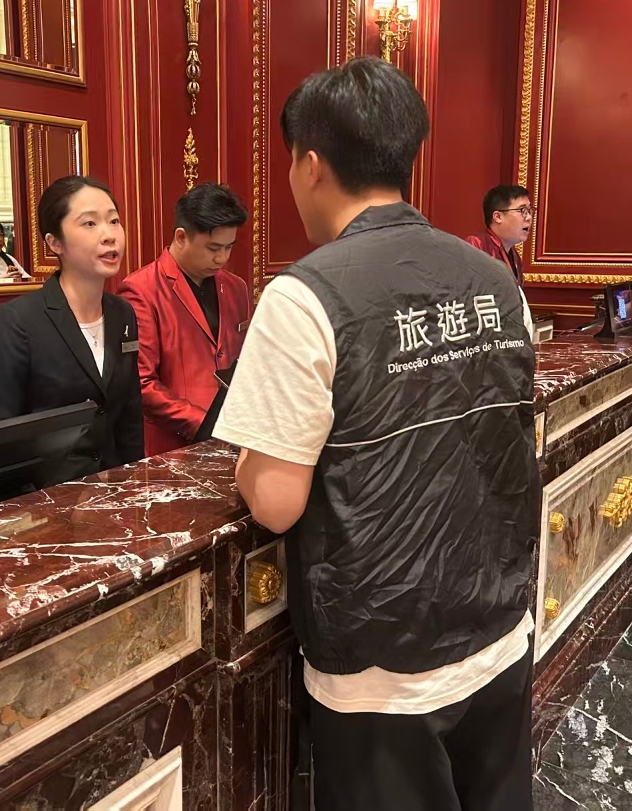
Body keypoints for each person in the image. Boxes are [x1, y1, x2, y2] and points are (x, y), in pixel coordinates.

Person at [213, 57, 540, 811]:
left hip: (383, 664)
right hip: (498, 625)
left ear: (311, 165)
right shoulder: (495, 282)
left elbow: (275, 503)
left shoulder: (304, 295)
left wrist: (243, 463)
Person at [0, 176, 143, 473]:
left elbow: (129, 415)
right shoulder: (17, 322)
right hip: (45, 492)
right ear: (55, 243)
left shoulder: (123, 314)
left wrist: (134, 481)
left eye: (114, 221)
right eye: (90, 223)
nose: (109, 235)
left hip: (113, 488)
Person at [119, 182, 251, 456]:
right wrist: (204, 425)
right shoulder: (141, 290)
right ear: (181, 237)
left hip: (234, 439)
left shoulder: (236, 287)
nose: (222, 258)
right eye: (213, 248)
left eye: (229, 247)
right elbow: (141, 382)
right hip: (172, 448)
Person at [465, 184, 531, 286]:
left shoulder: (515, 256)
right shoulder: (477, 245)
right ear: (498, 217)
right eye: (522, 211)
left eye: (529, 211)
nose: (529, 218)